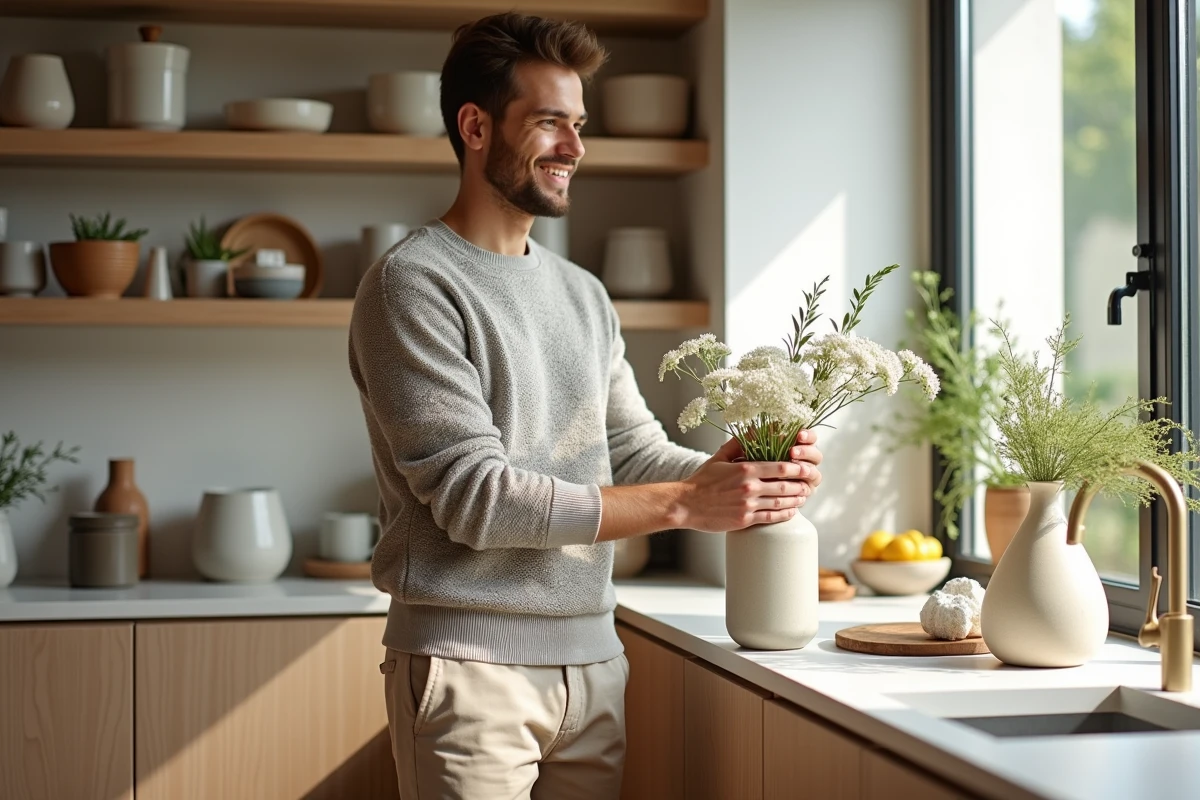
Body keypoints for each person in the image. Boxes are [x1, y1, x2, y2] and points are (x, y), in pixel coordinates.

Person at [347, 11, 824, 800]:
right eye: (547, 123)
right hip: (470, 672)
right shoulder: (412, 284)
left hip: (594, 665)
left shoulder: (583, 294)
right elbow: (477, 500)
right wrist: (686, 501)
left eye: (578, 124)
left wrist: (743, 474)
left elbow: (629, 449)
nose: (574, 148)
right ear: (473, 126)